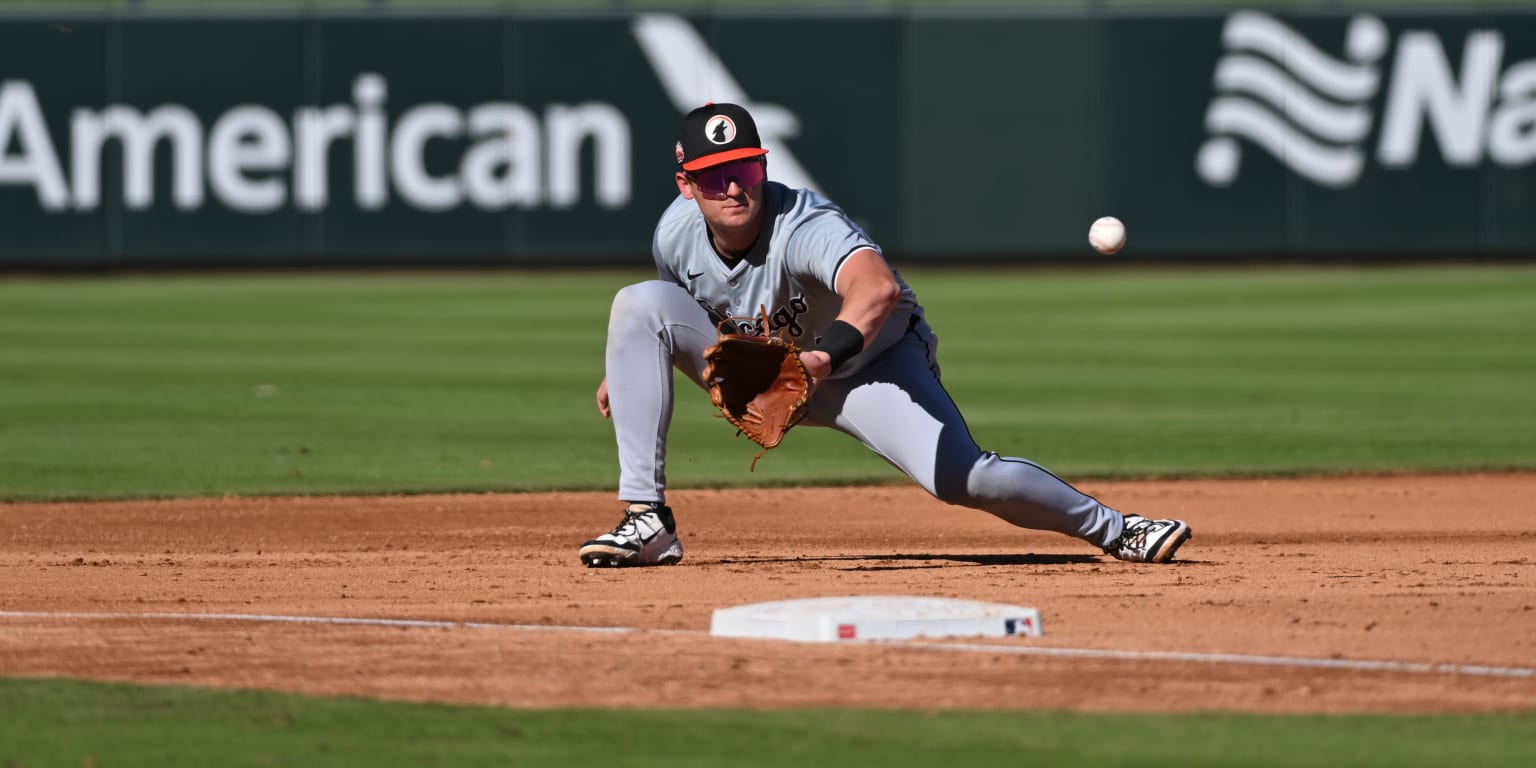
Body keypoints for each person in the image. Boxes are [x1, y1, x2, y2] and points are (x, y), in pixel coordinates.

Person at [579, 102, 1190, 568]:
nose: (733, 187)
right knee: (635, 304)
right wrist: (634, 365)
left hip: (872, 365)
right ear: (686, 184)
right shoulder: (673, 233)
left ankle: (1119, 529)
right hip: (775, 370)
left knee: (965, 478)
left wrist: (818, 360)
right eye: (714, 176)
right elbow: (676, 302)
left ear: (763, 166)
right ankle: (647, 521)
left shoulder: (805, 226)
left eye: (744, 167)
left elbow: (877, 290)